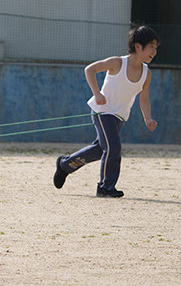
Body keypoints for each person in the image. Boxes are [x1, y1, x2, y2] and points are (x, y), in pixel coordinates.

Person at [53, 25, 159, 198]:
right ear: (138, 46)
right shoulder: (118, 63)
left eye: (156, 48)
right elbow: (90, 69)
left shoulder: (146, 74)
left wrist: (148, 118)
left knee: (100, 149)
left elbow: (144, 99)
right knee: (113, 147)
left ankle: (65, 165)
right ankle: (106, 187)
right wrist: (97, 93)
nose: (154, 51)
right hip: (103, 111)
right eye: (151, 47)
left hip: (119, 116)